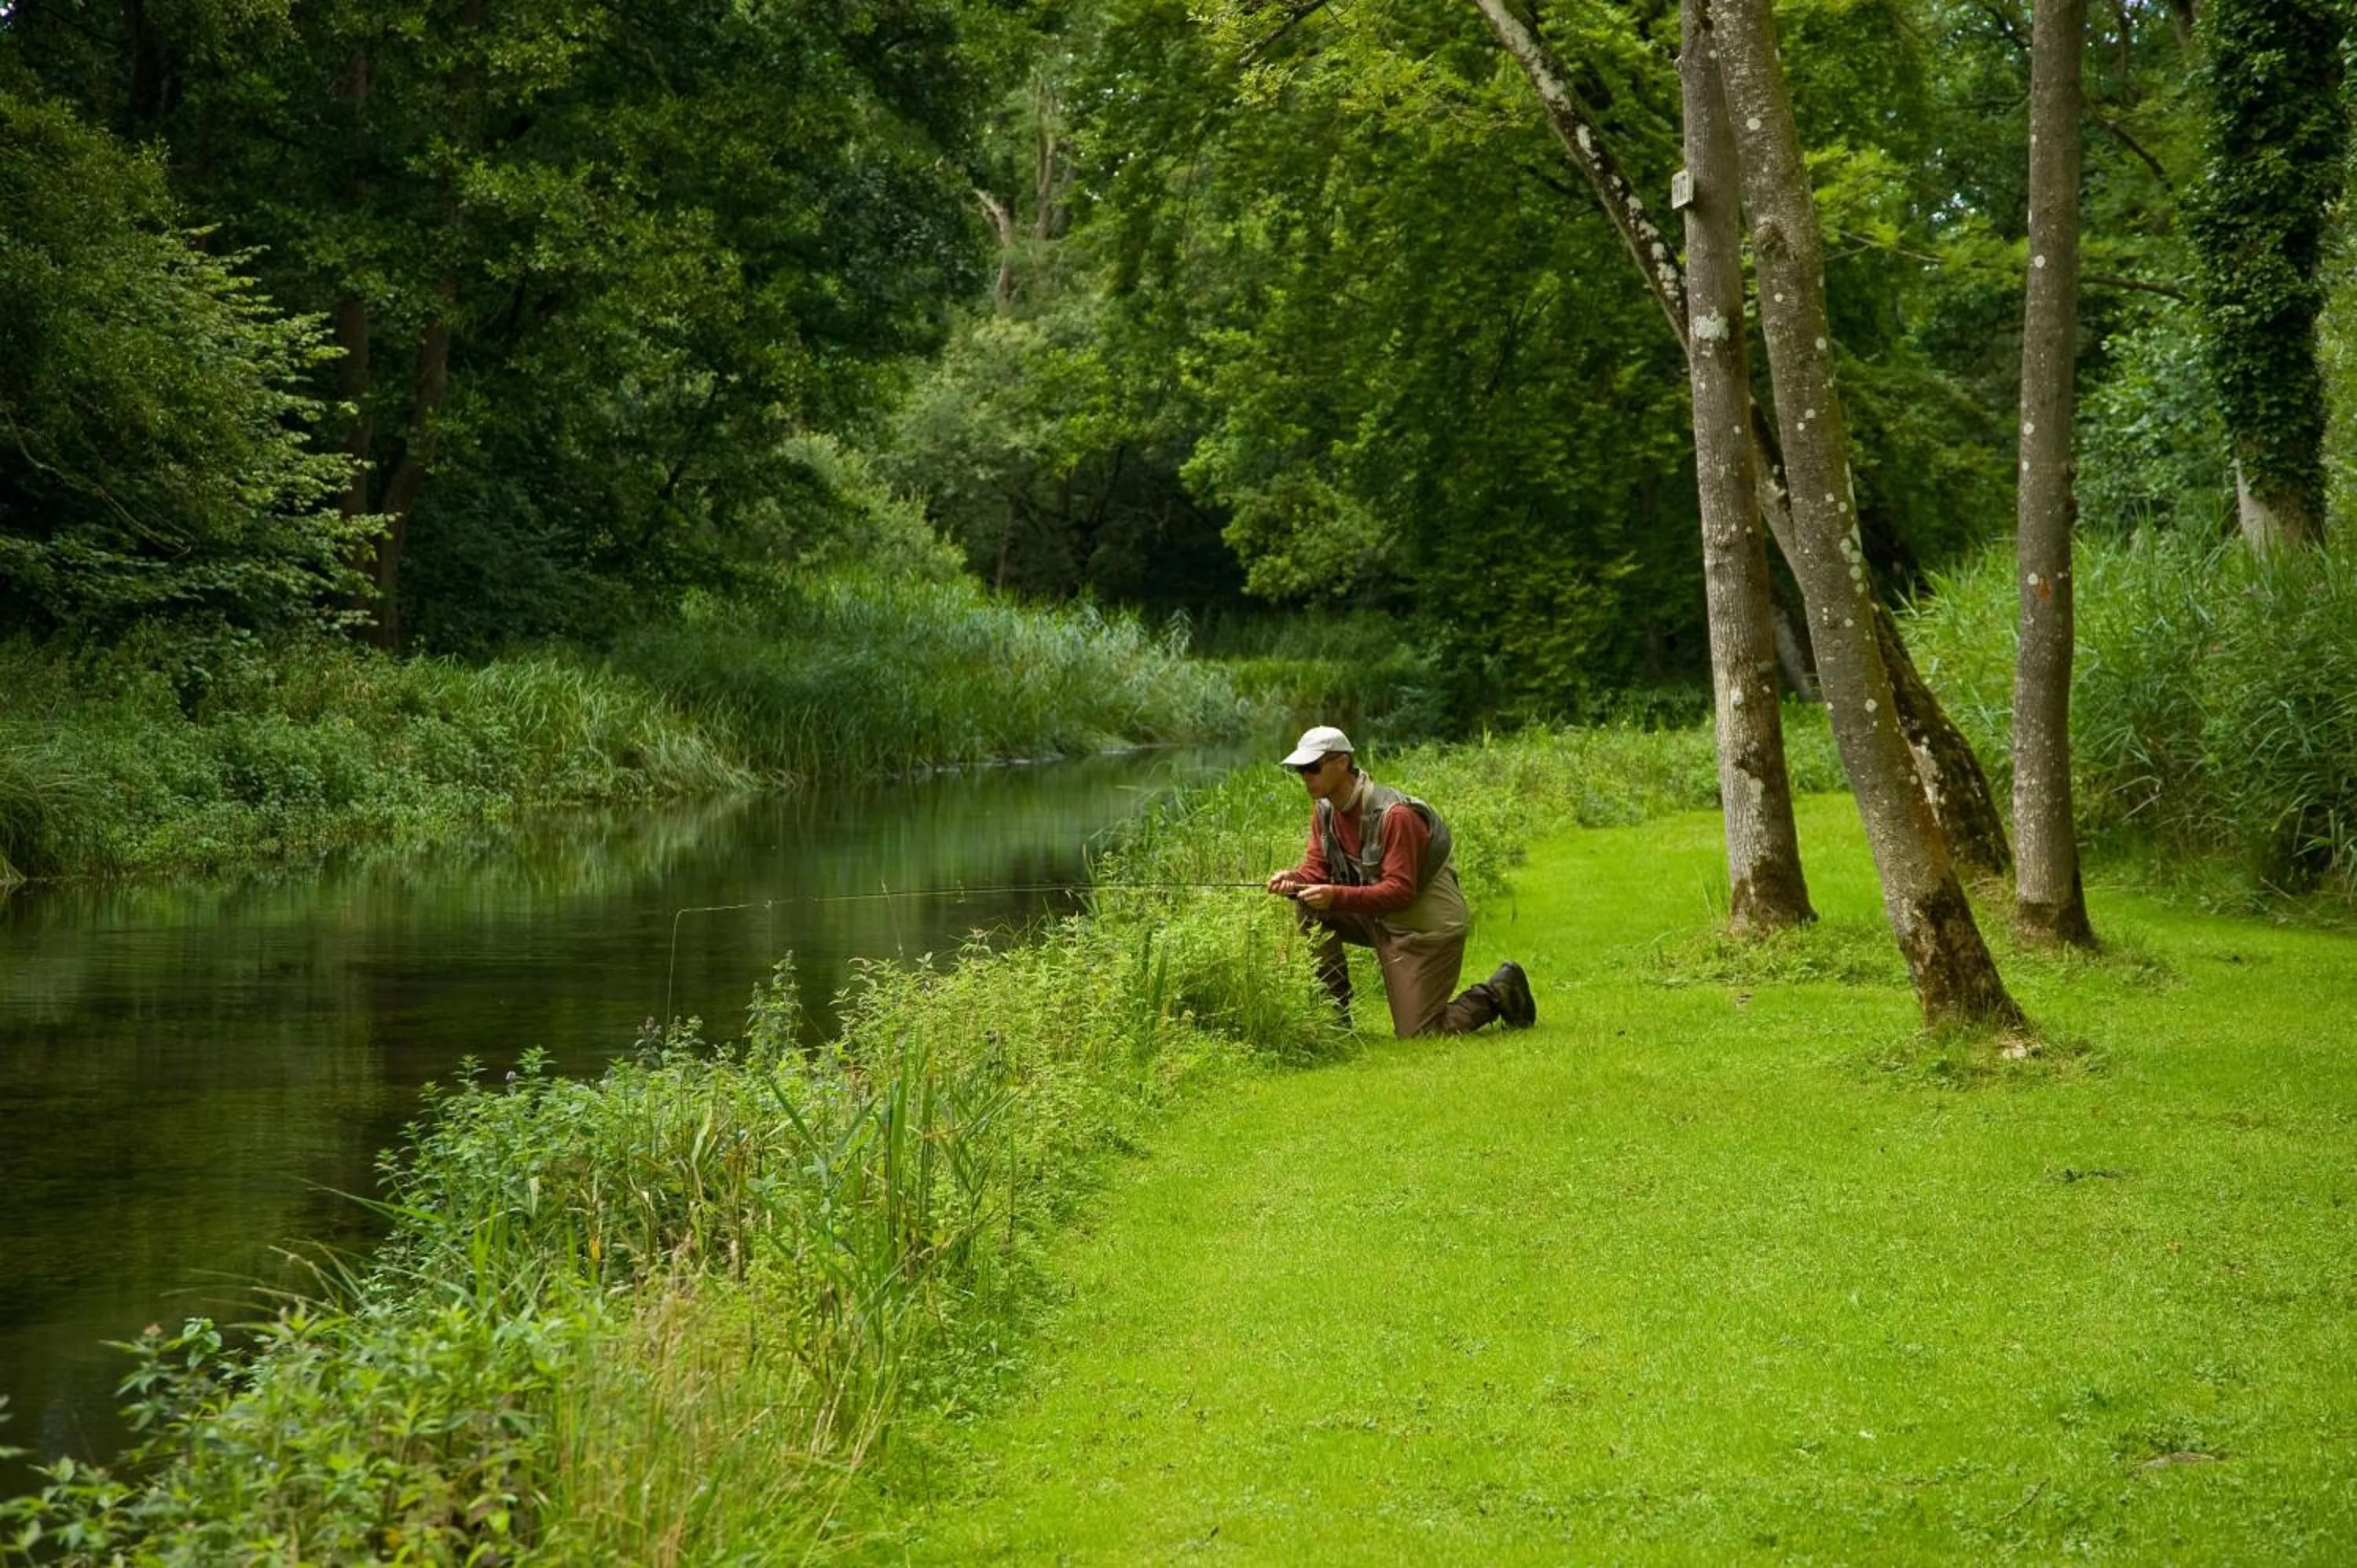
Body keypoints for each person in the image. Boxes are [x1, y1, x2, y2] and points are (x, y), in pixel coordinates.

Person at [1265, 725, 1536, 1038]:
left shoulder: (1396, 815)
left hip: (1425, 930)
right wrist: (1294, 881)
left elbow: (1401, 892)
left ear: (1341, 762)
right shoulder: (1324, 811)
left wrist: (1335, 895)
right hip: (1382, 920)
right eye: (1300, 770)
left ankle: (1500, 991)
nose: (1305, 777)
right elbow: (1316, 871)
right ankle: (1334, 1018)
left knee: (1419, 1033)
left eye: (1313, 767)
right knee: (1308, 906)